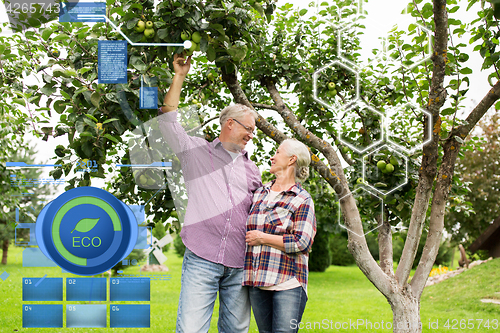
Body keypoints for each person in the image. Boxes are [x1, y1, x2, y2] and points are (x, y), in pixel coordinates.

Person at [157, 53, 262, 332]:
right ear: (230, 124)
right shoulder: (196, 151)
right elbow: (167, 121)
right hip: (202, 256)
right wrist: (179, 75)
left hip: (240, 262)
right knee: (191, 328)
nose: (252, 134)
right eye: (248, 129)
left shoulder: (253, 170)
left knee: (237, 330)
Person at [243, 139, 317, 333]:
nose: (272, 157)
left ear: (292, 159)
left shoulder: (302, 199)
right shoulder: (259, 193)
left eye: (277, 152)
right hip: (258, 281)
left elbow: (302, 242)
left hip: (288, 282)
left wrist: (263, 238)